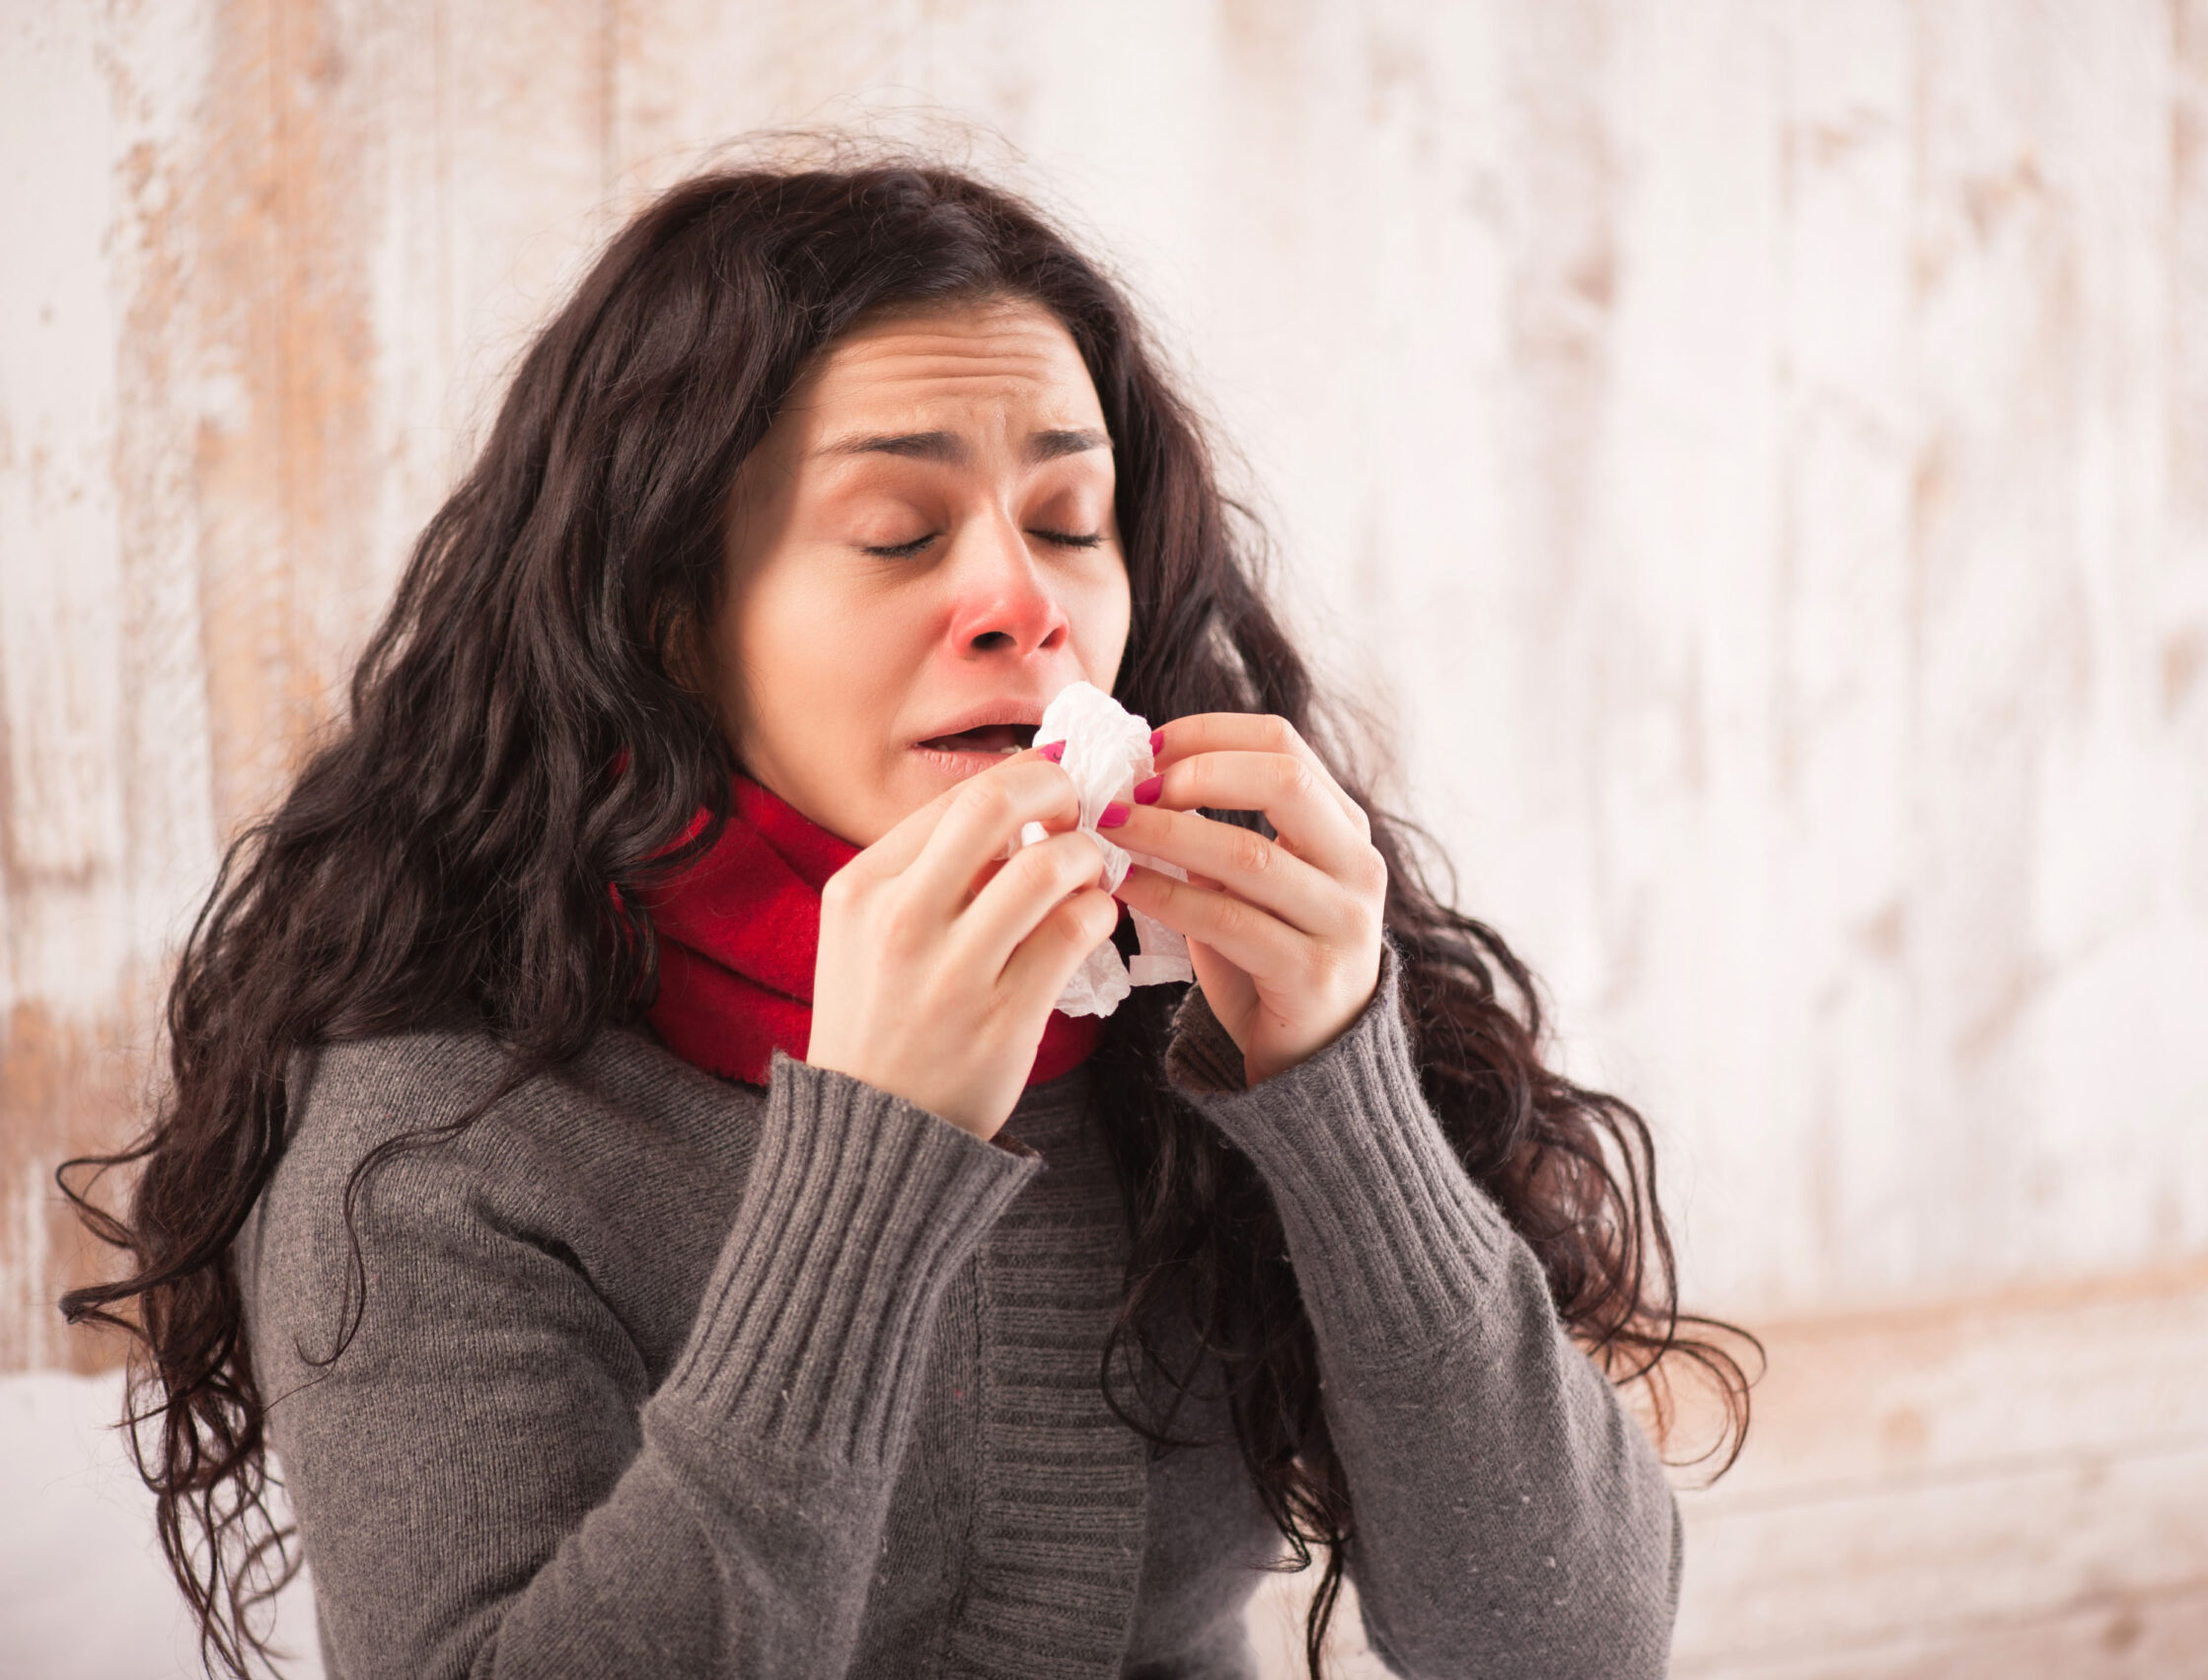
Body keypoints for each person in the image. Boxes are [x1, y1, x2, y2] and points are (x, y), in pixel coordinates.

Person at [61, 157, 1750, 1680]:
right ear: (669, 621)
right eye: (896, 531)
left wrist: (1342, 1088)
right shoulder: (440, 1140)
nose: (1025, 603)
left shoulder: (1197, 1010)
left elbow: (1570, 1646)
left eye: (1071, 525)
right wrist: (870, 1159)